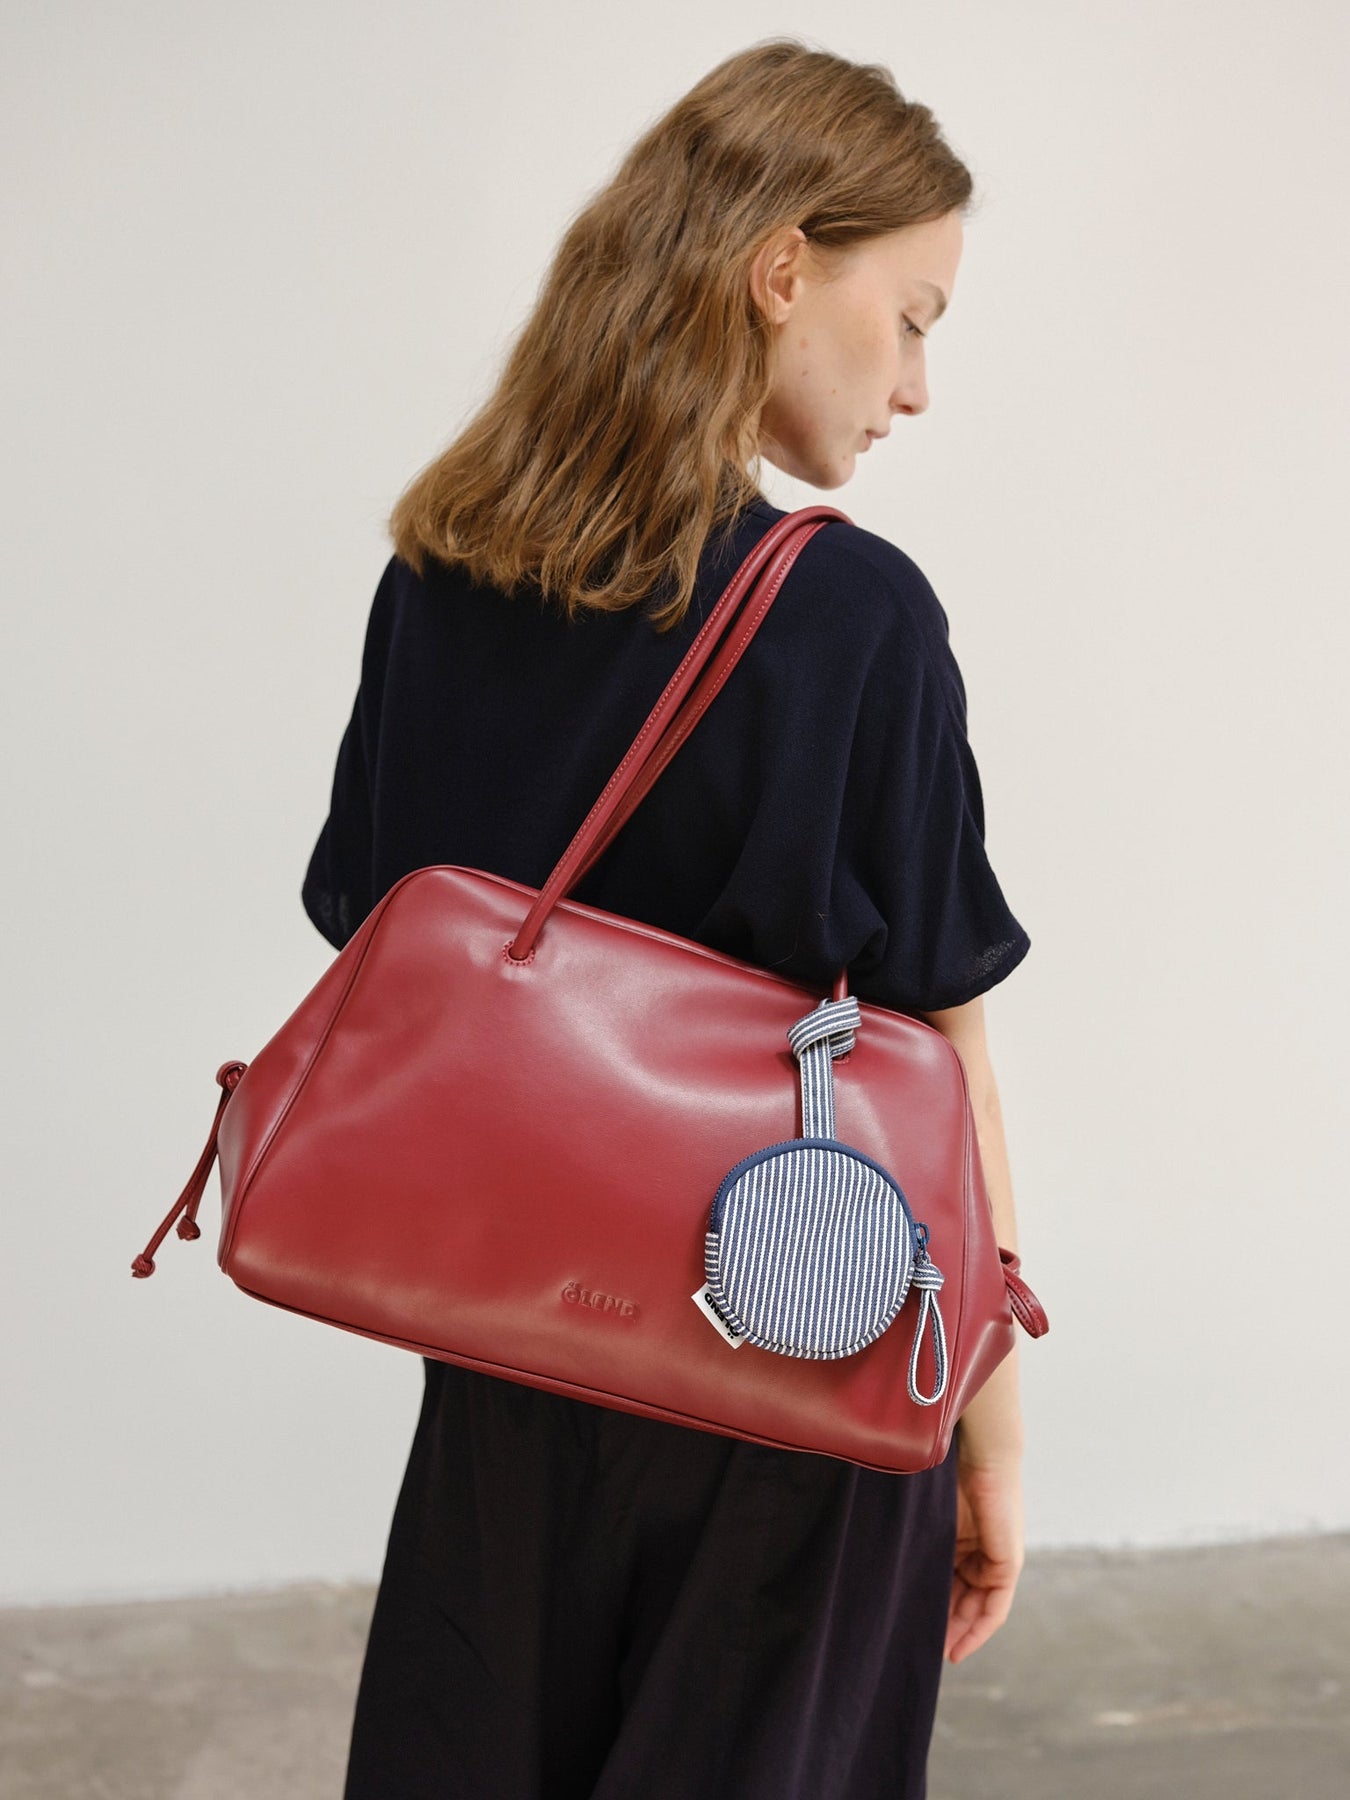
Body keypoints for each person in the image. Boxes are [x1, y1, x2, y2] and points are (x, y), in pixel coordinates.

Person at [302, 38, 1032, 1800]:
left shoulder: (440, 576)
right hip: (799, 1351)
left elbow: (369, 930)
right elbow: (939, 1061)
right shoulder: (852, 617)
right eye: (911, 315)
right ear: (782, 270)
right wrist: (985, 1424)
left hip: (507, 1361)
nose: (915, 386)